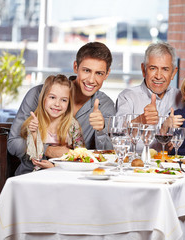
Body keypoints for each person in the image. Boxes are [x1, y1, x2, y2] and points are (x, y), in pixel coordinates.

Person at [8, 42, 115, 174]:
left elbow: (110, 156)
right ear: (76, 67)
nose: (91, 80)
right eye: (86, 70)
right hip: (31, 174)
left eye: (99, 73)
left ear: (107, 74)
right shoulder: (38, 94)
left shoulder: (105, 105)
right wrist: (48, 150)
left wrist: (101, 130)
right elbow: (13, 143)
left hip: (76, 178)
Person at [115, 41, 183, 152]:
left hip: (171, 165)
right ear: (143, 69)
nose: (159, 76)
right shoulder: (127, 97)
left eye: (165, 69)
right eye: (153, 68)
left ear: (173, 73)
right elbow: (116, 136)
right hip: (135, 166)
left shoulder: (183, 98)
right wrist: (140, 120)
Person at [17, 75, 84, 174]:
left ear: (69, 103)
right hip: (33, 175)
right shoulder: (34, 123)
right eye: (52, 97)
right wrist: (34, 133)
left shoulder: (73, 126)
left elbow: (81, 156)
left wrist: (54, 167)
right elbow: (34, 157)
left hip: (62, 175)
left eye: (64, 100)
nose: (57, 104)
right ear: (44, 98)